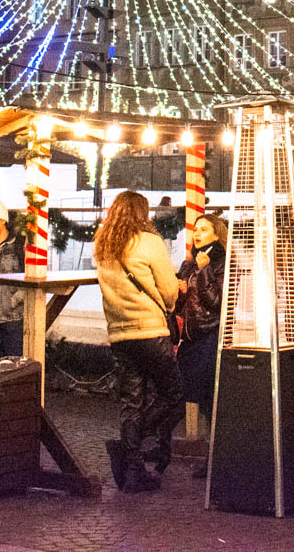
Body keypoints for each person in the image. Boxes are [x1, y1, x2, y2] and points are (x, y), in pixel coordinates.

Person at [95, 190, 184, 494]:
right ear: (141, 213)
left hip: (119, 334)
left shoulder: (103, 243)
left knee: (130, 402)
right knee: (174, 395)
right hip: (150, 332)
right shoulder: (149, 242)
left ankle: (133, 472)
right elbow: (169, 290)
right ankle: (127, 446)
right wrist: (169, 304)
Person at [175, 215, 227, 428]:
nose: (197, 234)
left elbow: (217, 301)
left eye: (204, 230)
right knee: (179, 389)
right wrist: (178, 291)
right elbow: (178, 306)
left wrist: (205, 271)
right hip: (189, 335)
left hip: (209, 333)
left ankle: (210, 444)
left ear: (216, 235)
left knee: (203, 392)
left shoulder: (223, 263)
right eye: (195, 229)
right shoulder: (188, 265)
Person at [0, 201, 23, 356]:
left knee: (13, 367)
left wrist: (16, 299)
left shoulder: (18, 244)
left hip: (13, 318)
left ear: (3, 220)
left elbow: (27, 274)